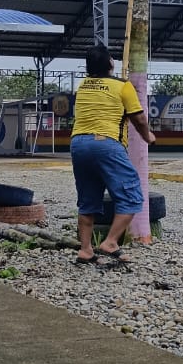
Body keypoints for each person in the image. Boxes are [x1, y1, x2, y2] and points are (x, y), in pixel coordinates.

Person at [70, 44, 156, 265]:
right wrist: (148, 137)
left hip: (78, 143)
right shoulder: (122, 86)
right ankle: (110, 242)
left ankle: (85, 250)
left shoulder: (83, 85)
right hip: (106, 143)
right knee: (132, 195)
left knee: (88, 199)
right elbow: (139, 118)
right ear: (110, 63)